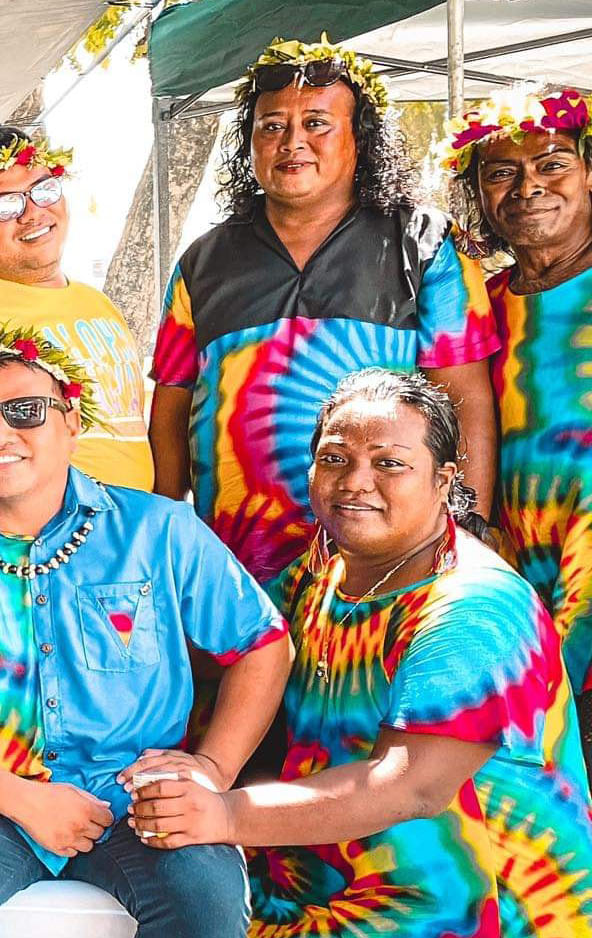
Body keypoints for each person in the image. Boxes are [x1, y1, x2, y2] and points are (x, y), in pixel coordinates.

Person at [132, 369, 592, 936]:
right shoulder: (323, 572)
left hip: (461, 909)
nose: (356, 481)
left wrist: (224, 814)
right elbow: (242, 652)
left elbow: (409, 786)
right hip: (322, 883)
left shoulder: (474, 608)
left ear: (444, 479)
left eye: (389, 463)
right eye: (335, 459)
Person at [0, 325, 293, 938]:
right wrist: (26, 801)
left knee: (206, 900)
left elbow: (262, 643)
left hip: (134, 792)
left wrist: (212, 769)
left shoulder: (160, 530)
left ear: (71, 423)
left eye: (25, 412)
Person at [150, 37, 498, 582]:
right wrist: (165, 516)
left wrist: (467, 519)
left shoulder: (424, 242)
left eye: (317, 123)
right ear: (250, 144)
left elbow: (465, 396)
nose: (293, 142)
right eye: (272, 126)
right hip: (236, 560)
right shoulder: (203, 260)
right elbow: (171, 402)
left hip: (384, 555)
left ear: (359, 140)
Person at [0, 126, 152, 537]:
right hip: (46, 553)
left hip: (134, 542)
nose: (33, 212)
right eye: (4, 205)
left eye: (44, 190)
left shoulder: (97, 303)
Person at [439, 87, 592, 714]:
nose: (527, 187)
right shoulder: (479, 305)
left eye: (551, 164)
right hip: (516, 561)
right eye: (501, 172)